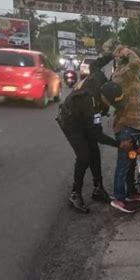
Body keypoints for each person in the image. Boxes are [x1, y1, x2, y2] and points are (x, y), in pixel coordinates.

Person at [57, 52, 124, 213]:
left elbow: (94, 65)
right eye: (110, 102)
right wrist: (120, 144)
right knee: (85, 155)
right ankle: (75, 194)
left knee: (95, 153)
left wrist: (110, 55)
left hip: (81, 116)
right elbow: (98, 135)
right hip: (70, 120)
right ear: (104, 96)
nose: (110, 105)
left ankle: (98, 189)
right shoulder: (92, 104)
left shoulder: (100, 79)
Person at [110, 45, 140, 214]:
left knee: (132, 162)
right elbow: (136, 64)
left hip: (137, 125)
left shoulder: (131, 78)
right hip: (125, 125)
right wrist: (128, 51)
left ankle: (131, 192)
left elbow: (136, 86)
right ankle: (118, 197)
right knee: (124, 163)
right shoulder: (121, 74)